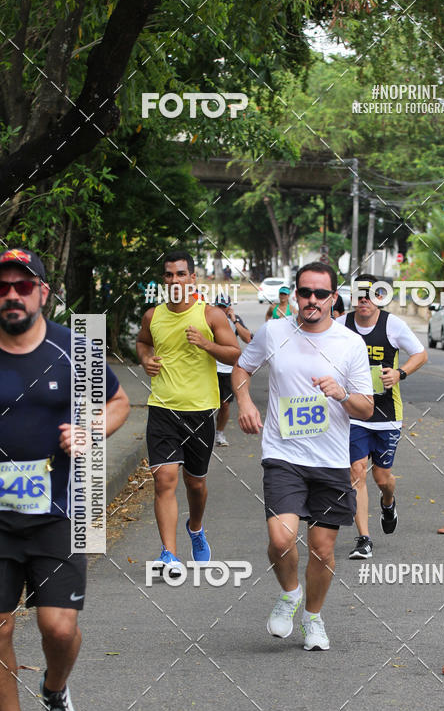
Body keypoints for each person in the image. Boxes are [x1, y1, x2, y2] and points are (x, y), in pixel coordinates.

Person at [0, 248, 130, 711]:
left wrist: (91, 430)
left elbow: (118, 403)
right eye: (3, 286)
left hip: (58, 511)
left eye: (22, 286)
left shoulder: (73, 350)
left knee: (58, 628)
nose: (11, 294)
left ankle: (54, 688)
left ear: (43, 293)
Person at [232, 261, 373, 651]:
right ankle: (290, 593)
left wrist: (342, 393)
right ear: (295, 294)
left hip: (330, 459)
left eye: (321, 294)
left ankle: (313, 618)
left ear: (333, 298)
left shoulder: (350, 344)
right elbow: (241, 369)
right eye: (305, 292)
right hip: (283, 454)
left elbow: (366, 408)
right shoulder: (273, 331)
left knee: (323, 549)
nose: (312, 300)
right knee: (281, 540)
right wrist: (245, 402)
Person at [136, 251, 241, 571]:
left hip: (201, 411)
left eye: (181, 274)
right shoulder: (152, 316)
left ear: (193, 278)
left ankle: (195, 527)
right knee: (165, 479)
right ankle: (169, 553)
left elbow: (235, 354)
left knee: (195, 483)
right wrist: (145, 359)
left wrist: (207, 344)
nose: (175, 280)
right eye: (169, 275)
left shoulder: (210, 316)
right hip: (163, 407)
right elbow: (142, 343)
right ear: (163, 280)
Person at [338, 274, 428, 559]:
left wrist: (399, 373)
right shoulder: (341, 326)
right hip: (353, 413)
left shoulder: (393, 325)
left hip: (386, 414)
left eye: (371, 295)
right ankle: (364, 538)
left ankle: (388, 502)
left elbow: (420, 354)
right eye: (359, 295)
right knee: (356, 472)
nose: (364, 300)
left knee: (382, 477)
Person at [214, 294, 252, 446]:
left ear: (229, 307)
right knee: (206, 404)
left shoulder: (234, 320)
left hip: (228, 369)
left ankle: (219, 433)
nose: (222, 310)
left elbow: (248, 338)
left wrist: (234, 320)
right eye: (219, 306)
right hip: (210, 368)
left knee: (224, 404)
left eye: (224, 307)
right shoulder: (208, 317)